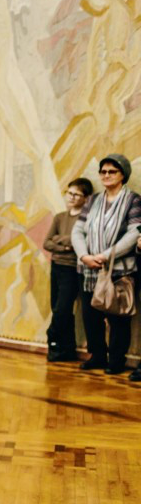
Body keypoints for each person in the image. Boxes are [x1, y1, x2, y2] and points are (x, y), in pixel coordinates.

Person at [72, 154, 140, 375]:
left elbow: (134, 234)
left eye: (112, 171)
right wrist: (84, 256)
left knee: (118, 317)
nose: (106, 175)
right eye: (103, 171)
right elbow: (78, 230)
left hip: (119, 271)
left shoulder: (133, 200)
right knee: (91, 317)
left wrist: (105, 256)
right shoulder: (92, 200)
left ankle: (116, 360)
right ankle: (98, 356)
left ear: (123, 175)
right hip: (89, 268)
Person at [43, 177, 93, 362]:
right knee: (57, 307)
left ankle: (54, 340)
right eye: (69, 193)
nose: (71, 197)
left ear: (86, 198)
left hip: (73, 269)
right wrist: (66, 244)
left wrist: (60, 240)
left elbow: (81, 242)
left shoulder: (86, 219)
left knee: (62, 309)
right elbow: (47, 242)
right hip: (56, 266)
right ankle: (66, 349)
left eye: (76, 194)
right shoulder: (60, 217)